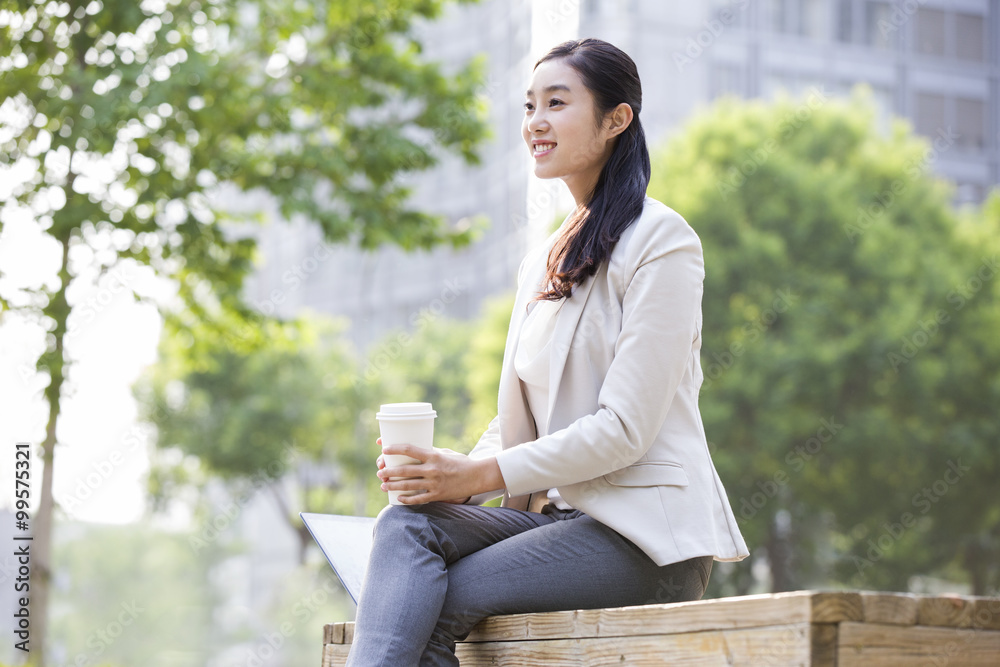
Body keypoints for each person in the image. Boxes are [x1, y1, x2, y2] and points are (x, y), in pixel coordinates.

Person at [345, 38, 749, 667]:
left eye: (557, 103)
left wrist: (479, 477)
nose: (535, 121)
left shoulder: (663, 242)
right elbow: (521, 420)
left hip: (642, 538)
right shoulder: (544, 258)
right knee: (404, 524)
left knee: (437, 597)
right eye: (529, 105)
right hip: (549, 523)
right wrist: (450, 472)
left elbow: (624, 430)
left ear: (617, 119)